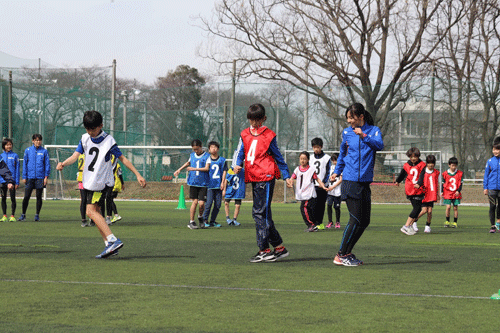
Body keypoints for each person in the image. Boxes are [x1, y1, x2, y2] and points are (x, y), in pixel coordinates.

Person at [56, 110, 146, 259]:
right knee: (96, 214)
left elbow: (123, 159)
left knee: (90, 212)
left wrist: (138, 174)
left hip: (101, 182)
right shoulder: (85, 138)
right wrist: (63, 163)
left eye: (93, 129)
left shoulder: (108, 141)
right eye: (88, 129)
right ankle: (109, 246)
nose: (91, 132)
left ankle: (113, 240)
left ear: (101, 125)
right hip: (90, 181)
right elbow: (75, 155)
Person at [233, 103, 292, 263]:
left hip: (265, 176)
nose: (253, 124)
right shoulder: (244, 134)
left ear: (263, 119)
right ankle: (278, 247)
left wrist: (286, 176)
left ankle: (264, 250)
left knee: (259, 213)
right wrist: (236, 165)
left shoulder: (269, 135)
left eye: (257, 120)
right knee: (263, 214)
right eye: (251, 120)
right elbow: (240, 151)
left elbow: (279, 157)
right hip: (253, 176)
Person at [331, 103, 384, 267]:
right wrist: (337, 171)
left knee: (365, 221)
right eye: (347, 117)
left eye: (351, 117)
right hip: (350, 180)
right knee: (355, 219)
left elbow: (379, 145)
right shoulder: (346, 133)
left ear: (361, 117)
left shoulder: (373, 130)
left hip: (364, 182)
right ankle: (341, 254)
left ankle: (347, 252)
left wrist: (364, 136)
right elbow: (342, 154)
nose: (348, 121)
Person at [288, 151, 329, 232]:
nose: (302, 161)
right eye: (301, 159)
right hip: (302, 193)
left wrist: (323, 186)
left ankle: (311, 225)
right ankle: (314, 225)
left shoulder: (311, 170)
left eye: (304, 159)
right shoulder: (297, 169)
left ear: (308, 160)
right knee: (310, 210)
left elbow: (317, 179)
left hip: (308, 193)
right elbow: (292, 177)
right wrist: (290, 182)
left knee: (303, 208)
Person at [174, 139, 210, 229]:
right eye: (194, 149)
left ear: (201, 147)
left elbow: (206, 168)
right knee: (195, 202)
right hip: (193, 182)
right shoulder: (192, 155)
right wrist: (179, 169)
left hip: (203, 183)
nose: (195, 151)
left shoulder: (207, 156)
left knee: (202, 203)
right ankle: (191, 221)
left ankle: (200, 217)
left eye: (197, 149)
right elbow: (188, 163)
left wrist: (194, 169)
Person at [18, 134, 50, 222]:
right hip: (29, 177)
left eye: (39, 140)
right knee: (26, 196)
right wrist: (24, 176)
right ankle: (23, 214)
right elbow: (24, 164)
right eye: (36, 140)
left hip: (40, 177)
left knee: (39, 197)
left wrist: (46, 177)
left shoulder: (44, 151)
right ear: (32, 141)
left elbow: (47, 165)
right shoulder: (28, 150)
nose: (38, 142)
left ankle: (37, 215)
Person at [394, 147, 426, 235]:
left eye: (415, 157)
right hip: (411, 189)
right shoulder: (406, 165)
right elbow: (402, 174)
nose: (413, 159)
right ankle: (406, 226)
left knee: (418, 208)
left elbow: (422, 176)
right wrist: (397, 181)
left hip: (418, 188)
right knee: (417, 208)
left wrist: (419, 183)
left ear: (418, 156)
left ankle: (410, 225)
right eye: (411, 157)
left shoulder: (422, 165)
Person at [198, 141, 227, 228]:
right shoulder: (207, 159)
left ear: (218, 149)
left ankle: (213, 221)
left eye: (215, 147)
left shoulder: (222, 160)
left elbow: (224, 171)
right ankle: (205, 220)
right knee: (209, 203)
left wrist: (223, 183)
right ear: (209, 149)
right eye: (211, 147)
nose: (213, 149)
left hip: (218, 185)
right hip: (209, 185)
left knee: (218, 205)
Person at [414, 154, 440, 233]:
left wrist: (438, 193)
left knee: (430, 211)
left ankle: (427, 226)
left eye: (432, 163)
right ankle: (414, 221)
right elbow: (420, 180)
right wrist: (418, 185)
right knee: (424, 210)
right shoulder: (423, 171)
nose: (430, 165)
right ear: (426, 163)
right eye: (429, 163)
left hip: (432, 195)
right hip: (424, 194)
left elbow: (436, 183)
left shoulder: (436, 172)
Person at [310, 138, 331, 230]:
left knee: (321, 205)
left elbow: (328, 172)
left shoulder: (327, 158)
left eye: (318, 147)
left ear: (321, 147)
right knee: (312, 205)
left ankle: (320, 223)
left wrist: (323, 183)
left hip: (322, 186)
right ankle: (313, 223)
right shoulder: (310, 158)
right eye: (314, 147)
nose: (316, 149)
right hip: (312, 185)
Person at [0, 138, 19, 222]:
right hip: (3, 181)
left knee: (12, 198)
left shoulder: (15, 156)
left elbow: (17, 170)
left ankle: (12, 216)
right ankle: (4, 215)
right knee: (3, 198)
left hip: (12, 181)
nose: (9, 146)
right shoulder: (1, 156)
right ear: (4, 146)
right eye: (7, 145)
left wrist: (16, 181)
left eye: (10, 144)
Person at [484, 137, 500, 233]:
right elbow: (486, 175)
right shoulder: (490, 161)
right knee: (492, 206)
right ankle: (493, 226)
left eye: (497, 149)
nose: (495, 151)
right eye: (494, 149)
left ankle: (498, 221)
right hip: (491, 188)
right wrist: (485, 187)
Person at [442, 157, 463, 228]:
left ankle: (455, 222)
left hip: (455, 193)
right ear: (449, 165)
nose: (453, 167)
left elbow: (461, 184)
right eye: (452, 165)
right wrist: (442, 191)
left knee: (455, 208)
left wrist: (458, 191)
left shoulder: (459, 173)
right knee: (448, 207)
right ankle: (447, 221)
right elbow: (443, 183)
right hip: (448, 193)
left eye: (455, 165)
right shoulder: (445, 174)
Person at [105, 154, 124, 225]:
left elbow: (120, 175)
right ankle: (110, 216)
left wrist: (122, 184)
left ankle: (116, 214)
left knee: (109, 199)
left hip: (114, 184)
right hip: (115, 184)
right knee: (109, 199)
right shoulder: (116, 165)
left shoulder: (115, 166)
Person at [326, 154, 342, 229]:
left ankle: (337, 222)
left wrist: (333, 186)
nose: (335, 162)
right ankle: (330, 222)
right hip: (330, 191)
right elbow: (329, 176)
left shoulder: (341, 168)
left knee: (337, 207)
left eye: (336, 160)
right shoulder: (331, 167)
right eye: (333, 160)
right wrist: (330, 179)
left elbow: (341, 179)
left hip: (337, 192)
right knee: (329, 205)